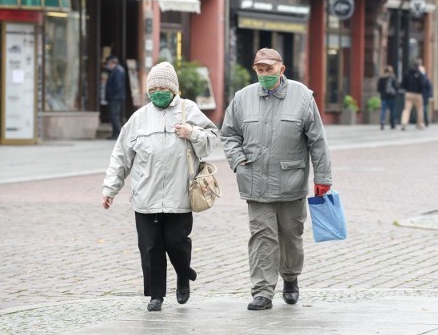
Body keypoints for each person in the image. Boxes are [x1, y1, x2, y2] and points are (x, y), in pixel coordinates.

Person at [220, 48, 333, 311]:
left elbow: (317, 140)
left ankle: (291, 277)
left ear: (281, 69)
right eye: (259, 69)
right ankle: (262, 291)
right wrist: (237, 160)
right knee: (262, 236)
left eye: (269, 69)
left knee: (291, 235)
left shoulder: (303, 97)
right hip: (255, 181)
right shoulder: (242, 98)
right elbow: (228, 134)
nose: (264, 74)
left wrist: (323, 177)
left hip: (291, 181)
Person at [101, 62, 219, 312]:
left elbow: (211, 141)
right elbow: (121, 156)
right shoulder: (139, 118)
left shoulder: (190, 110)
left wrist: (193, 133)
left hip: (180, 195)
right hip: (146, 196)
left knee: (177, 242)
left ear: (174, 89)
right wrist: (110, 189)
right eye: (154, 88)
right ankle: (156, 295)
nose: (159, 91)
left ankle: (183, 276)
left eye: (164, 87)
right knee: (151, 247)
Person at [105, 55, 126, 139]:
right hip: (116, 96)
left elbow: (117, 85)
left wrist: (112, 94)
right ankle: (114, 134)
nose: (108, 65)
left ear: (113, 63)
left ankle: (119, 134)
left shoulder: (118, 71)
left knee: (114, 115)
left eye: (109, 63)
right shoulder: (116, 70)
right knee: (114, 115)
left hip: (115, 97)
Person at [400, 58, 425, 130]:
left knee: (406, 109)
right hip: (418, 94)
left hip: (409, 93)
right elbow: (423, 84)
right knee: (420, 109)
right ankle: (419, 124)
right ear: (419, 65)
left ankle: (404, 122)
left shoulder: (407, 73)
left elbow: (403, 83)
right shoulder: (420, 74)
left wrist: (406, 88)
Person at [376, 65, 399, 130]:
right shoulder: (393, 77)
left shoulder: (381, 78)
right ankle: (393, 123)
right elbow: (397, 86)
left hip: (384, 96)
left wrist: (382, 92)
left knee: (383, 110)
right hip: (392, 96)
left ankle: (382, 122)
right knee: (393, 110)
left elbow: (378, 88)